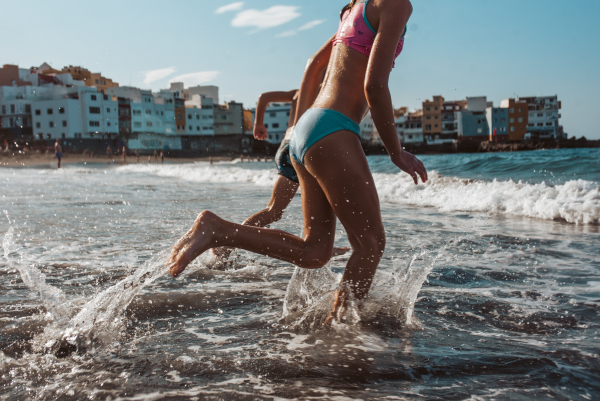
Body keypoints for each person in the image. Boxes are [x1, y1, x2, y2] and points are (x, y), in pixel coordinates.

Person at [168, 0, 427, 323]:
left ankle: (219, 230)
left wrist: (300, 124)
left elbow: (314, 65)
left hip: (307, 129)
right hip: (334, 128)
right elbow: (374, 86)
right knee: (370, 244)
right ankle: (348, 333)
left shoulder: (354, 8)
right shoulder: (395, 4)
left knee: (315, 252)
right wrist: (395, 151)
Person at [213, 90, 349, 261]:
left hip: (288, 147)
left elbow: (264, 97)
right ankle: (227, 239)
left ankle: (228, 243)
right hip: (303, 146)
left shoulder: (303, 89)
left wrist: (259, 124)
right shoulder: (326, 90)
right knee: (323, 201)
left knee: (275, 211)